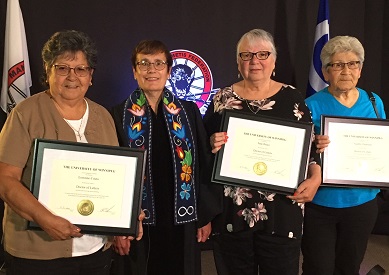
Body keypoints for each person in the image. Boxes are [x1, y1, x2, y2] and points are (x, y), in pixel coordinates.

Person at [0, 30, 142, 275]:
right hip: (39, 254)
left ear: (91, 76)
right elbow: (5, 180)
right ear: (48, 71)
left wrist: (127, 216)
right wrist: (43, 218)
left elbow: (113, 180)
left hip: (95, 252)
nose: (72, 77)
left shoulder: (103, 116)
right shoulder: (25, 114)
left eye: (81, 69)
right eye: (63, 68)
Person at [203, 28, 322, 275]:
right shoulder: (221, 98)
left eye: (262, 54)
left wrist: (316, 177)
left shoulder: (293, 98)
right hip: (232, 214)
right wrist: (211, 143)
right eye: (246, 55)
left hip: (283, 211)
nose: (254, 61)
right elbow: (203, 151)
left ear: (274, 61)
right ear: (238, 62)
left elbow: (310, 148)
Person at [110, 39, 221, 275]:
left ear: (169, 71)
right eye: (144, 64)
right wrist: (119, 226)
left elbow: (203, 164)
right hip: (139, 222)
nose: (152, 70)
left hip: (181, 220)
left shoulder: (188, 112)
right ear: (134, 71)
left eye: (159, 63)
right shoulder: (118, 115)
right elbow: (113, 174)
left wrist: (204, 215)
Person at [302, 36, 386, 275]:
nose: (346, 70)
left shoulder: (374, 101)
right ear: (326, 72)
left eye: (353, 64)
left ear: (360, 69)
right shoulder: (309, 105)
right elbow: (298, 153)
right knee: (318, 268)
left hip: (363, 202)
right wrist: (313, 147)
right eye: (337, 65)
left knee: (349, 266)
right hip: (321, 204)